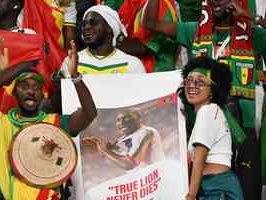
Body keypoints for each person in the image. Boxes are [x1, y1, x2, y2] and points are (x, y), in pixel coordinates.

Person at [142, 0, 266, 199]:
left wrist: (251, 18)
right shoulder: (195, 30)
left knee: (247, 191)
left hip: (242, 126)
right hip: (204, 124)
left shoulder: (253, 33)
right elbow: (149, 23)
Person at [0, 37, 97, 200]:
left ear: (43, 95)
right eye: (24, 86)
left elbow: (90, 113)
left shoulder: (56, 124)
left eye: (36, 88)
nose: (31, 91)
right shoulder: (1, 124)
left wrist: (75, 76)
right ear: (14, 92)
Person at [180, 57, 243, 200]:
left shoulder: (207, 111)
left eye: (199, 82)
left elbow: (200, 160)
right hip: (216, 187)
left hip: (216, 188)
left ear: (212, 91)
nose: (191, 85)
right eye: (188, 80)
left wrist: (191, 195)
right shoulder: (211, 112)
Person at [57, 5, 146, 76]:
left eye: (93, 22)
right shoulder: (71, 62)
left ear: (110, 27)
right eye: (84, 24)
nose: (87, 27)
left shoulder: (132, 65)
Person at [86, 110, 163, 170]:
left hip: (152, 178)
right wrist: (99, 146)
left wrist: (105, 151)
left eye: (126, 118)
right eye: (118, 120)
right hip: (140, 181)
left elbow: (129, 164)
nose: (121, 122)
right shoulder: (123, 138)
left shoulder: (146, 132)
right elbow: (114, 154)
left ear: (138, 118)